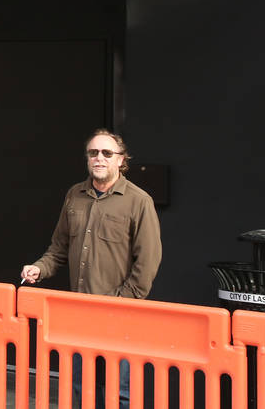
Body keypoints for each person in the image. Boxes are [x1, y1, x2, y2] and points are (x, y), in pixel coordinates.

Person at [20, 128, 161, 409]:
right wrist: (39, 268)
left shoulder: (139, 201)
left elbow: (148, 262)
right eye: (93, 153)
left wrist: (122, 302)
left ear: (121, 160)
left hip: (120, 314)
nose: (99, 158)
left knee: (120, 393)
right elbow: (59, 247)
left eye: (107, 153)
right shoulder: (75, 195)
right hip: (78, 313)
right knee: (80, 387)